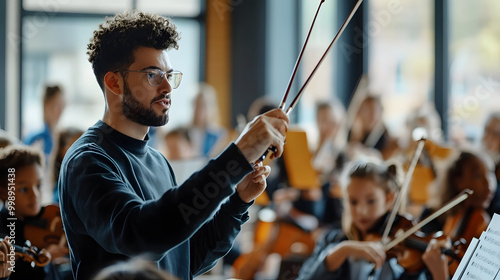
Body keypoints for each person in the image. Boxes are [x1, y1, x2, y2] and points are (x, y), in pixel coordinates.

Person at [57, 11, 288, 280]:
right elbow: (143, 236)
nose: (167, 86)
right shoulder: (87, 161)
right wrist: (237, 156)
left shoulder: (158, 161)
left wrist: (239, 200)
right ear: (114, 82)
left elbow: (187, 260)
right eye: (153, 75)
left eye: (169, 74)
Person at [297, 160, 449, 280]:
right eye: (353, 202)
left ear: (389, 199)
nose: (361, 211)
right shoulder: (332, 241)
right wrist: (343, 250)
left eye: (371, 201)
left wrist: (439, 275)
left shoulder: (406, 257)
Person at [0, 145, 68, 280]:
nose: (35, 195)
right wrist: (45, 262)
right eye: (24, 189)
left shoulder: (46, 218)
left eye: (39, 186)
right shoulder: (4, 235)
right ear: (3, 191)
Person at [23, 85, 66, 161]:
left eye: (62, 105)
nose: (60, 110)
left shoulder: (64, 138)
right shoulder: (35, 139)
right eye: (56, 105)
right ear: (45, 104)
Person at [188, 83, 228, 158]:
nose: (199, 110)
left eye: (203, 105)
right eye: (196, 105)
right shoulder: (184, 133)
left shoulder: (219, 134)